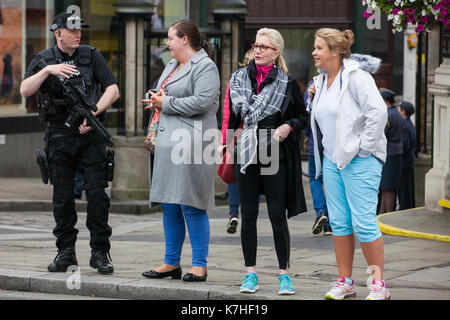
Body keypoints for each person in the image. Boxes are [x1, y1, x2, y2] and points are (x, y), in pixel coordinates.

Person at [20, 12, 120, 274]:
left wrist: (94, 111)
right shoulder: (44, 59)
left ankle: (100, 252)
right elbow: (24, 90)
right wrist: (47, 71)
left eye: (80, 31)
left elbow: (113, 88)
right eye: (72, 31)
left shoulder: (90, 56)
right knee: (62, 197)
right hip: (60, 137)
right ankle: (66, 251)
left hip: (91, 137)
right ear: (58, 33)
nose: (78, 35)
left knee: (98, 195)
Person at [223, 28, 308, 295]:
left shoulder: (287, 84)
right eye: (255, 45)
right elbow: (230, 118)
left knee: (276, 215)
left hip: (275, 151)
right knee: (247, 214)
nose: (257, 50)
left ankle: (284, 275)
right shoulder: (237, 79)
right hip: (245, 151)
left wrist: (289, 127)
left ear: (276, 53)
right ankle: (250, 274)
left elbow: (303, 116)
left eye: (264, 47)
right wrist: (225, 144)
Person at [308, 28, 390, 300]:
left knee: (365, 222)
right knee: (341, 223)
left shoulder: (357, 77)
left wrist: (364, 149)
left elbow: (377, 113)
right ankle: (346, 281)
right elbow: (326, 117)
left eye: (319, 48)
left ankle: (378, 285)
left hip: (359, 159)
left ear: (335, 51)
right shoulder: (320, 81)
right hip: (332, 159)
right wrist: (311, 98)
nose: (314, 52)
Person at [141, 19, 220, 282]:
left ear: (185, 39)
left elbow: (203, 101)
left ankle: (199, 264)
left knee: (192, 204)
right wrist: (155, 99)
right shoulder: (172, 65)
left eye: (171, 38)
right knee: (170, 204)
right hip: (168, 142)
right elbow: (165, 95)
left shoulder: (205, 66)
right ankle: (171, 263)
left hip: (194, 144)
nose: (168, 43)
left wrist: (166, 102)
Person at [220, 49, 254, 235]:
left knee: (234, 175)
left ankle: (234, 212)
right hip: (254, 135)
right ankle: (247, 211)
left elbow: (227, 112)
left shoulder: (234, 81)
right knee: (253, 174)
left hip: (237, 135)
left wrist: (224, 140)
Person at [304, 80, 332, 236]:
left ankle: (321, 212)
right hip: (333, 142)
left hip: (316, 142)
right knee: (331, 181)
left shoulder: (313, 83)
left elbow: (305, 113)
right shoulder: (339, 82)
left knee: (315, 178)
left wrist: (306, 133)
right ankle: (329, 224)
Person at [378, 89, 404, 214]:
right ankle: (382, 214)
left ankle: (388, 214)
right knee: (387, 186)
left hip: (389, 153)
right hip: (396, 152)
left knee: (387, 186)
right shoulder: (397, 113)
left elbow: (382, 133)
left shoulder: (388, 114)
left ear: (384, 100)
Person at [397, 101, 416, 210]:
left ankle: (404, 209)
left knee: (404, 189)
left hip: (404, 162)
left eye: (399, 109)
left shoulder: (404, 125)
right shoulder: (409, 124)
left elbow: (404, 145)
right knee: (408, 189)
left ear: (403, 111)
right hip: (408, 161)